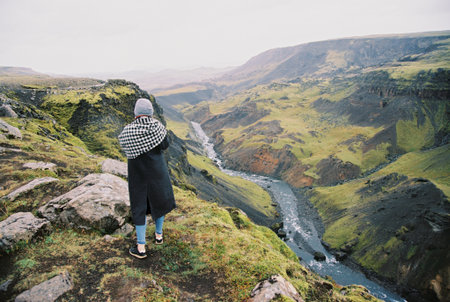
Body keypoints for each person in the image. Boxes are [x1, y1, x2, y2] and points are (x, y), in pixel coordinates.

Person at [118, 98, 176, 259]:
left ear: (136, 113)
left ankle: (141, 247)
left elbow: (124, 146)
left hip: (138, 176)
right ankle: (159, 236)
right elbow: (165, 146)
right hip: (157, 173)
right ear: (150, 112)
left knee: (139, 207)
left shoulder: (128, 131)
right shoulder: (157, 127)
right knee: (160, 202)